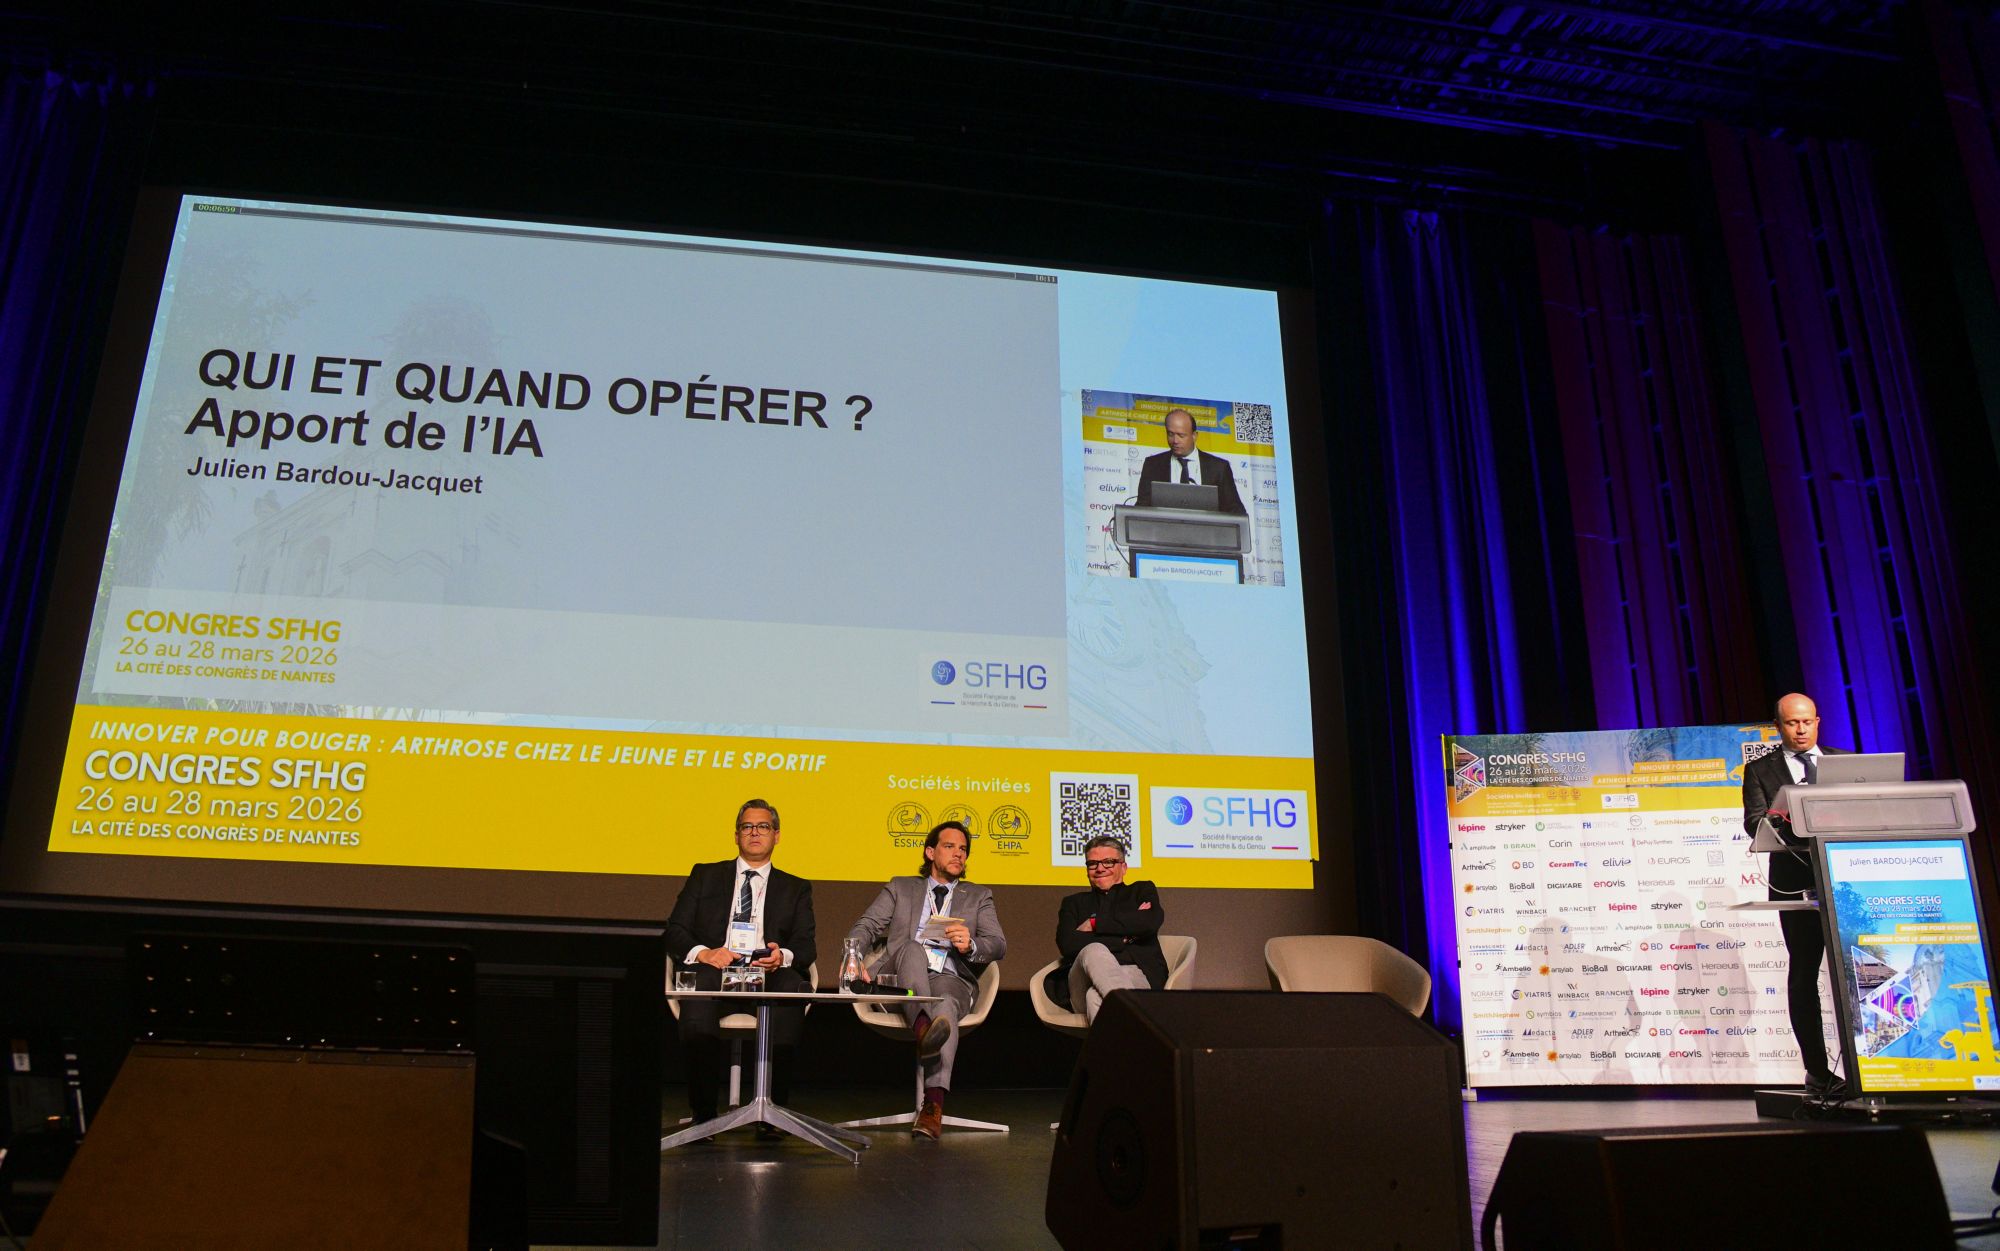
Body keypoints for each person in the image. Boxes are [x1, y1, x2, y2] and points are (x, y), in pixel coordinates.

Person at [846, 820, 1007, 1139]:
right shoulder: (901, 887)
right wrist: (854, 958)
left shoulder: (978, 895)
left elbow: (998, 944)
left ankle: (933, 1107)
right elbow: (866, 926)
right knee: (912, 948)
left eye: (964, 849)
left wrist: (971, 944)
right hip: (901, 979)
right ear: (930, 852)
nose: (959, 854)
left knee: (944, 1002)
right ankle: (925, 1030)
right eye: (950, 846)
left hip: (950, 977)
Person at [665, 798, 817, 1132]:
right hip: (716, 969)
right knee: (698, 991)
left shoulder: (795, 887)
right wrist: (705, 953)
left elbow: (806, 946)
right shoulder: (705, 875)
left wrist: (782, 956)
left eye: (763, 826)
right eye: (747, 826)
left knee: (793, 988)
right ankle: (704, 1115)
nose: (755, 832)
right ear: (736, 836)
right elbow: (675, 931)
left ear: (776, 835)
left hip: (767, 972)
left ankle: (772, 1113)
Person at [1740, 693, 1848, 1096]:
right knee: (1804, 972)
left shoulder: (1844, 762)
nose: (1800, 730)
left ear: (1817, 721)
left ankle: (1877, 1065)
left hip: (1847, 879)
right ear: (1778, 726)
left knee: (1864, 969)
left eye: (1806, 722)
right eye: (1791, 723)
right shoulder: (1760, 769)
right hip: (1794, 882)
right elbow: (1754, 823)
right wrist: (1796, 812)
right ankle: (1818, 1072)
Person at [1044, 835, 1167, 1023]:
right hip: (1082, 981)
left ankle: (1125, 1036)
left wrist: (1095, 923)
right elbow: (1068, 944)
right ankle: (1137, 1026)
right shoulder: (1073, 903)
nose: (1100, 868)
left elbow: (1149, 922)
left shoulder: (1141, 890)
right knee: (1093, 950)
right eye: (1092, 864)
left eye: (1108, 862)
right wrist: (1123, 939)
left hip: (1137, 974)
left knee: (1095, 997)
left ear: (1123, 867)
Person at [1136, 408, 1247, 516]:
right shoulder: (1152, 465)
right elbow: (1141, 509)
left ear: (1194, 436)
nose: (1175, 441)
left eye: (1181, 435)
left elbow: (1236, 512)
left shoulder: (1219, 468)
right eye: (1170, 434)